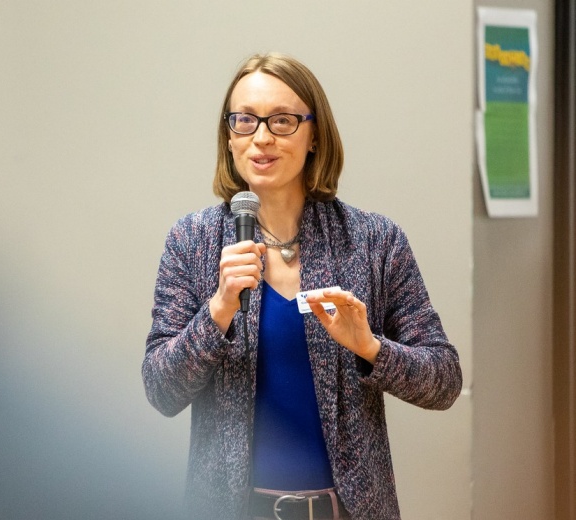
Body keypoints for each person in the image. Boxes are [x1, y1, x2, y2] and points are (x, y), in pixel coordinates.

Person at [142, 52, 462, 520]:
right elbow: (161, 389)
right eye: (245, 121)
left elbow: (444, 381)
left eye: (284, 121)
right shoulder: (192, 241)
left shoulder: (373, 241)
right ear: (229, 137)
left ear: (314, 135)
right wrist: (217, 312)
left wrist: (371, 348)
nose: (263, 137)